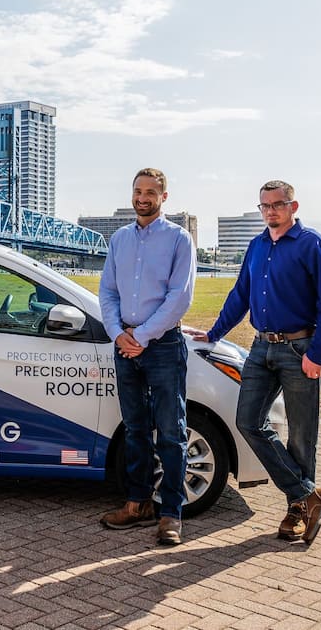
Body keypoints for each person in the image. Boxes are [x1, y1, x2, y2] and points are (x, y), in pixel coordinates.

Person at [191, 180, 321, 543]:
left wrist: (318, 355)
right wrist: (213, 333)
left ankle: (298, 511)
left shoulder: (315, 246)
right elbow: (240, 293)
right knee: (248, 421)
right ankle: (308, 492)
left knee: (303, 436)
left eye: (278, 204)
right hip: (261, 348)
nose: (271, 211)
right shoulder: (257, 245)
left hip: (299, 349)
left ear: (294, 206)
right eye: (265, 205)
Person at [98, 168, 196, 546]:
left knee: (171, 432)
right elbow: (107, 292)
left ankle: (171, 513)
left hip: (163, 345)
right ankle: (138, 504)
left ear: (163, 197)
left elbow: (179, 297)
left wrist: (140, 335)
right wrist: (118, 334)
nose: (142, 197)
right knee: (135, 429)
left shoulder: (178, 239)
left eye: (150, 192)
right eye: (138, 191)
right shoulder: (119, 239)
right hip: (125, 345)